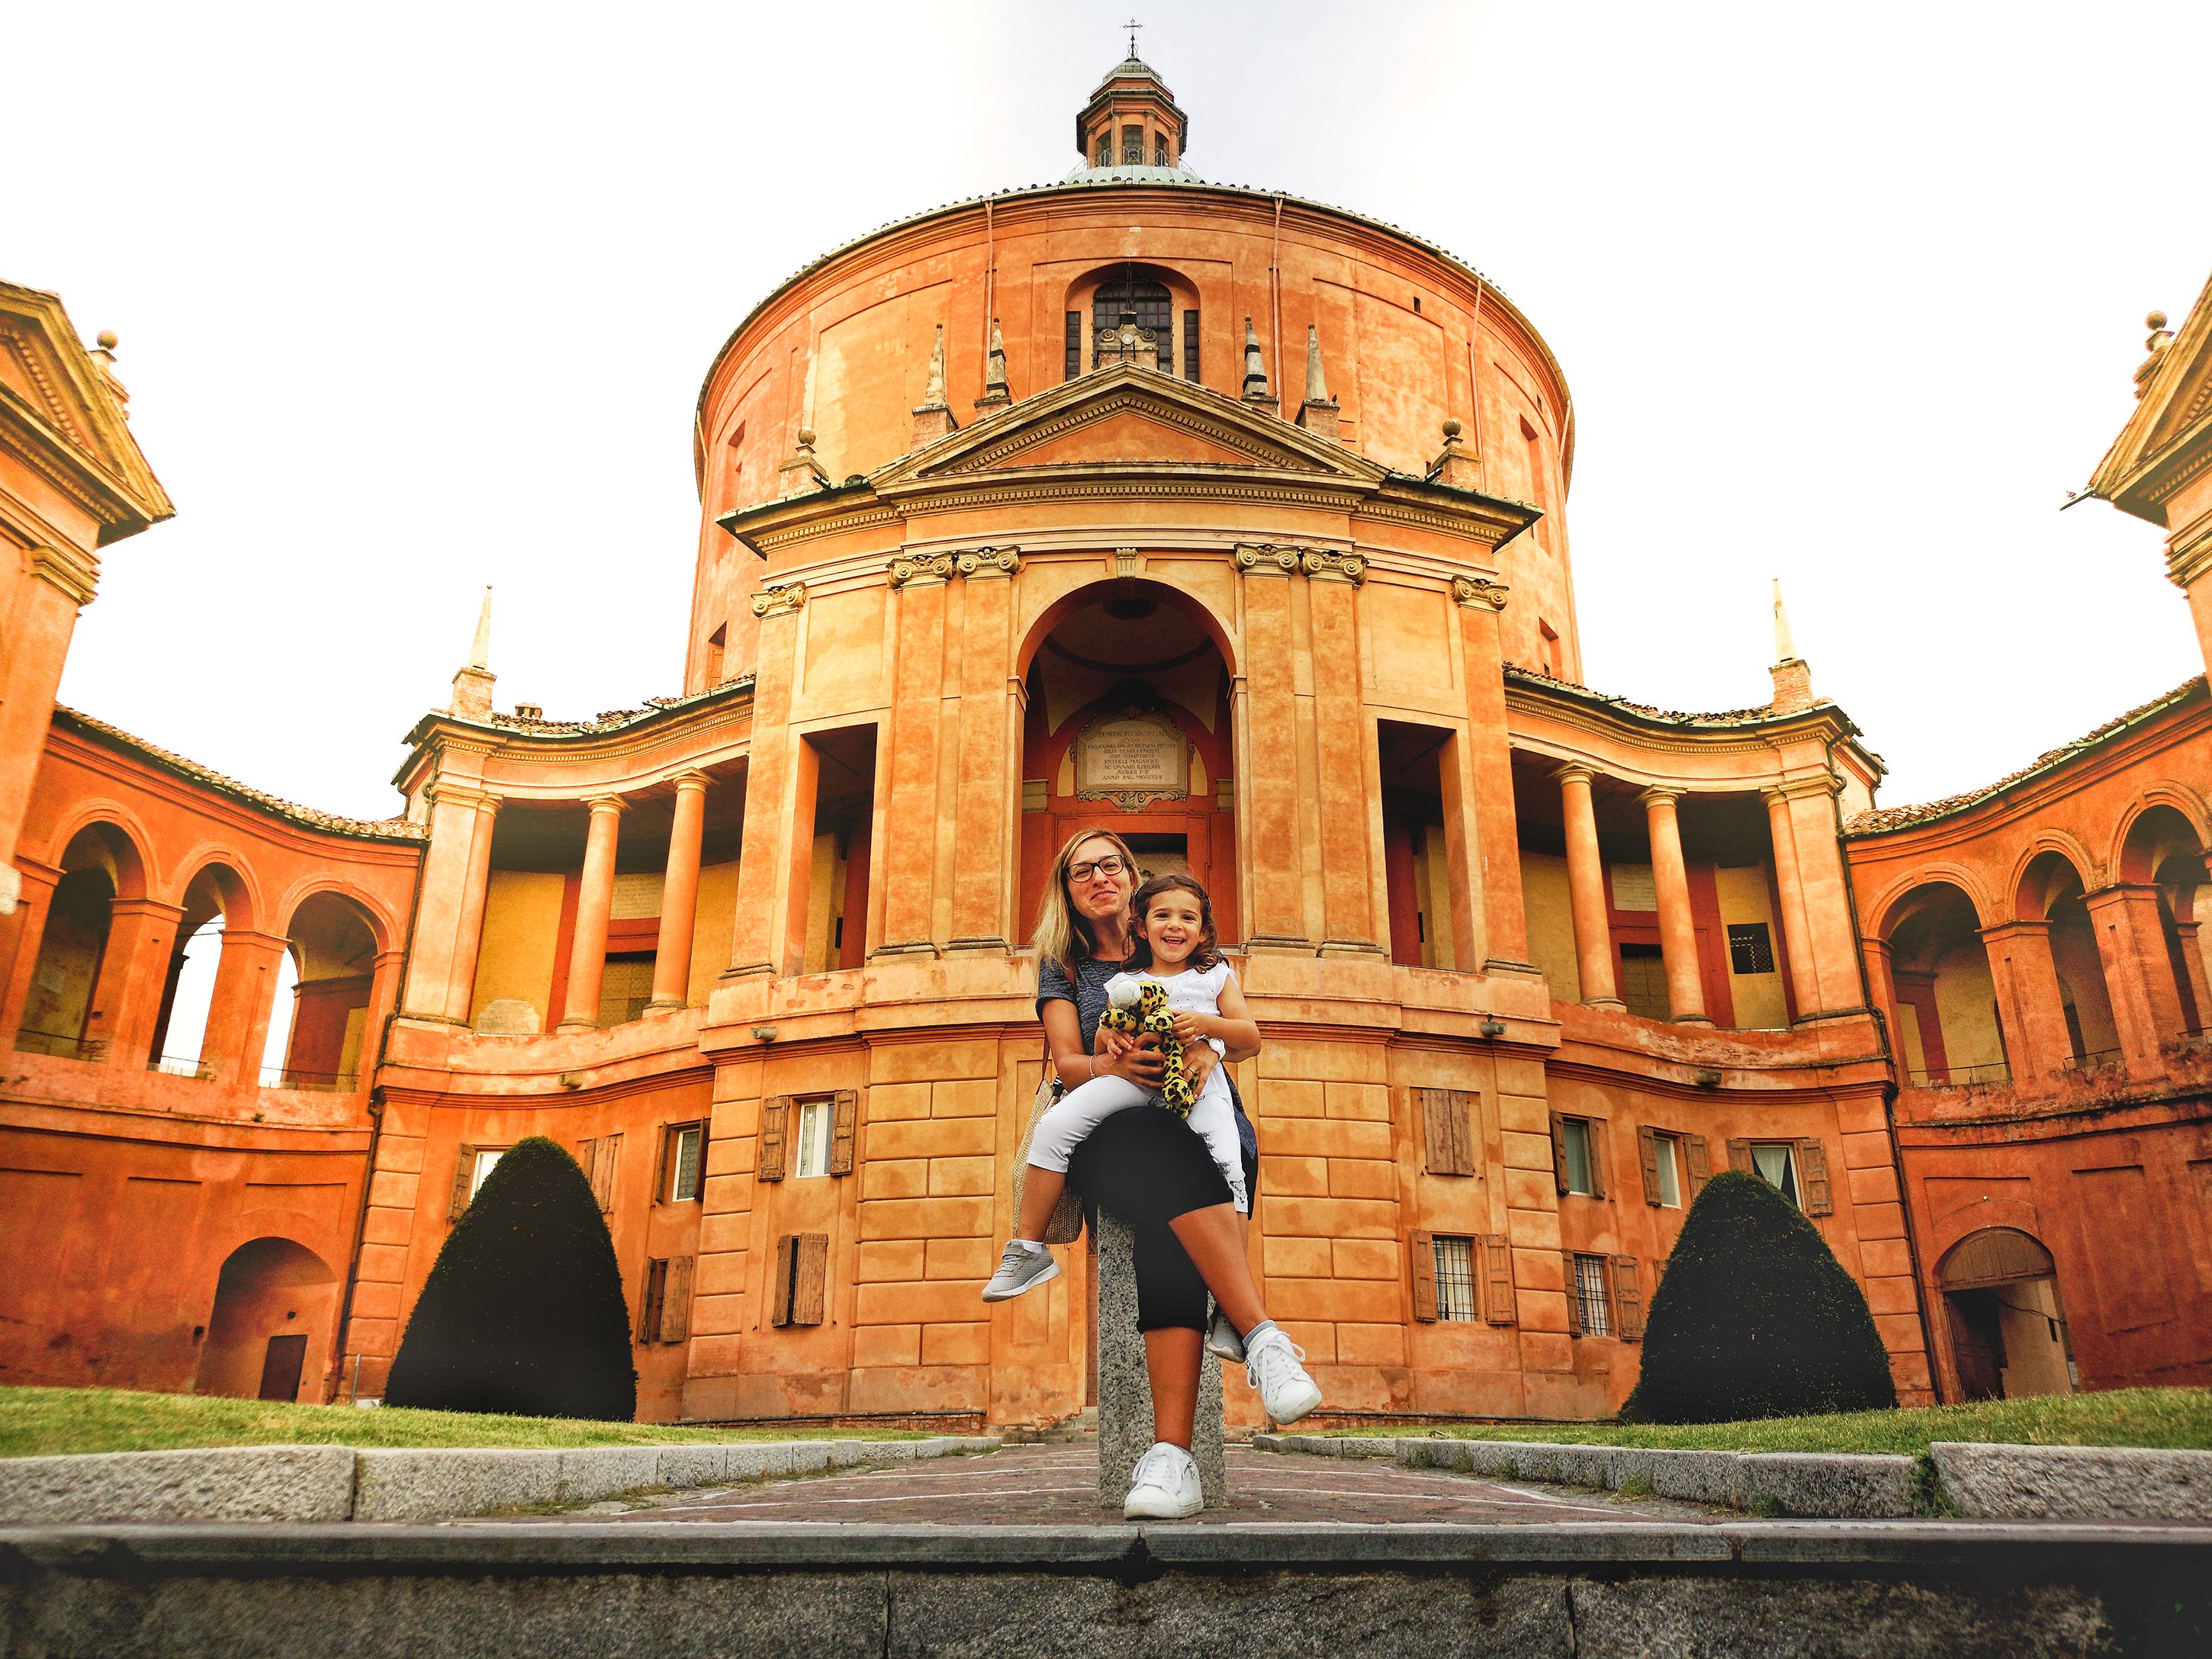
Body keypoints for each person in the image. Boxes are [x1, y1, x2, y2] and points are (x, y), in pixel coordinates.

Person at [992, 828, 1322, 1519]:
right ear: (1066, 889)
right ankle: (1260, 1337)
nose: (1099, 877)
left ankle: (1173, 1459)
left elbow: (1236, 1032)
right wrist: (1109, 1061)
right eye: (1082, 870)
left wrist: (1208, 1050)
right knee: (1159, 1148)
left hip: (1200, 1127)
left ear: (1132, 875)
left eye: (1111, 864)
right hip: (1111, 1131)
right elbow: (1066, 1061)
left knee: (1174, 1215)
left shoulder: (1193, 953)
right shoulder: (1066, 965)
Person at [987, 868, 1253, 1281]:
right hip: (1133, 1082)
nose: (1175, 925)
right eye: (1163, 916)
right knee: (1055, 1123)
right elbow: (1102, 1038)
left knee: (1228, 1164)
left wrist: (1208, 1028)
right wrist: (1109, 1039)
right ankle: (1028, 1248)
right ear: (1141, 928)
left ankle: (1235, 1286)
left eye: (1188, 918)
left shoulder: (1215, 974)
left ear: (1203, 932)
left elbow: (1250, 1038)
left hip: (1196, 1087)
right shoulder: (1125, 981)